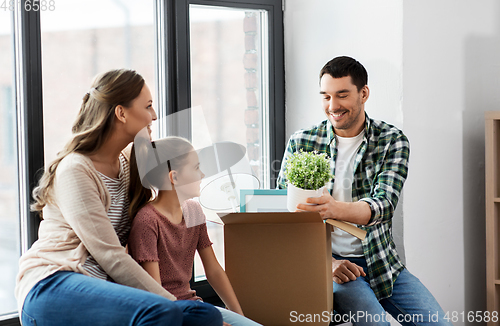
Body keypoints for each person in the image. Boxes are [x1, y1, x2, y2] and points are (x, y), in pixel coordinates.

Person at [15, 69, 222, 326]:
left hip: (101, 289)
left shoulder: (126, 165)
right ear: (121, 113)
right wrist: (170, 303)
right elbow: (111, 255)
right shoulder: (76, 169)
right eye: (147, 107)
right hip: (52, 283)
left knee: (206, 316)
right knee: (165, 312)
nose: (154, 116)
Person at [277, 56, 451, 325]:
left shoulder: (392, 140)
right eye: (326, 96)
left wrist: (334, 208)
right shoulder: (303, 141)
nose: (333, 106)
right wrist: (325, 264)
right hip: (332, 265)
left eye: (342, 95)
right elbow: (282, 213)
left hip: (382, 261)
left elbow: (384, 205)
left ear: (364, 93)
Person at [127, 136, 262, 326]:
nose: (202, 175)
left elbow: (213, 270)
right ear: (174, 177)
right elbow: (155, 293)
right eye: (196, 168)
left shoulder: (194, 210)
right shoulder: (147, 221)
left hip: (195, 307)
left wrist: (240, 317)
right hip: (169, 314)